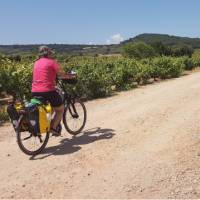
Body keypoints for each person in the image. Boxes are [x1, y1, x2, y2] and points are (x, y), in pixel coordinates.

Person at [31, 46, 75, 136]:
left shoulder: (36, 63)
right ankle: (53, 128)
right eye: (51, 53)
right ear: (48, 53)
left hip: (34, 91)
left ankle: (46, 122)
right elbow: (61, 75)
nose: (52, 54)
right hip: (47, 90)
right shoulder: (52, 62)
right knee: (60, 109)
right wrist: (72, 76)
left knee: (47, 106)